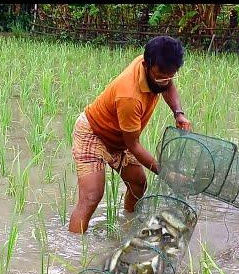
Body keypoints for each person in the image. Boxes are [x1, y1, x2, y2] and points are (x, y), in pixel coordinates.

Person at [68, 36, 191, 234]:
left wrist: (178, 113)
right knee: (91, 196)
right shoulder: (129, 96)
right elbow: (133, 144)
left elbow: (166, 84)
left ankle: (126, 229)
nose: (164, 81)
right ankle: (75, 253)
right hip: (93, 133)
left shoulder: (155, 67)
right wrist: (166, 172)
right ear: (146, 64)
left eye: (170, 75)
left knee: (138, 183)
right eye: (160, 75)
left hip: (120, 137)